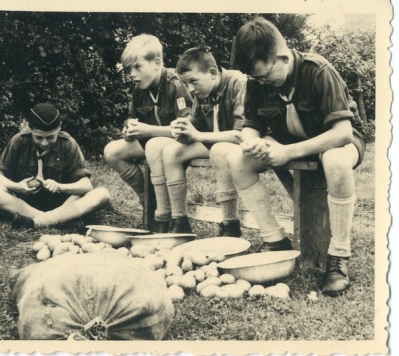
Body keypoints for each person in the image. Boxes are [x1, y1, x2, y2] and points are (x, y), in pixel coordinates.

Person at [210, 17, 366, 296]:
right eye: (255, 78)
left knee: (335, 160)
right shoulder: (256, 82)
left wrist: (287, 152)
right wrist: (250, 143)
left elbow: (342, 132)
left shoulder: (318, 71)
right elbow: (249, 127)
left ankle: (339, 256)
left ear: (282, 57)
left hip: (335, 141)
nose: (261, 83)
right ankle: (276, 241)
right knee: (236, 159)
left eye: (265, 77)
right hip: (287, 140)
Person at [145, 47, 246, 234]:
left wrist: (198, 135)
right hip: (214, 143)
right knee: (170, 151)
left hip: (239, 145)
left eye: (193, 82)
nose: (190, 89)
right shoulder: (202, 91)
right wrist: (182, 126)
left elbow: (241, 134)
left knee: (219, 150)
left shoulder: (238, 84)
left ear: (212, 73)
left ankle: (230, 225)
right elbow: (195, 120)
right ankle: (179, 222)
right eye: (186, 83)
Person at [103, 34, 193, 230]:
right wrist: (129, 129)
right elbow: (131, 117)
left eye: (137, 67)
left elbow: (186, 130)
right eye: (129, 69)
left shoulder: (175, 85)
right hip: (149, 144)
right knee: (112, 151)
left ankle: (163, 211)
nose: (132, 74)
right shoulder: (139, 88)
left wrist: (148, 130)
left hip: (175, 144)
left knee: (155, 146)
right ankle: (147, 199)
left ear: (157, 63)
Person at [0, 103, 110, 229]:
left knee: (102, 194)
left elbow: (86, 185)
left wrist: (60, 187)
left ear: (59, 127)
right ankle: (58, 220)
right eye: (39, 137)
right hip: (24, 204)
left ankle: (35, 222)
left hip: (63, 205)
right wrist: (18, 187)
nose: (45, 143)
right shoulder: (19, 140)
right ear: (30, 128)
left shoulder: (68, 143)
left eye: (51, 137)